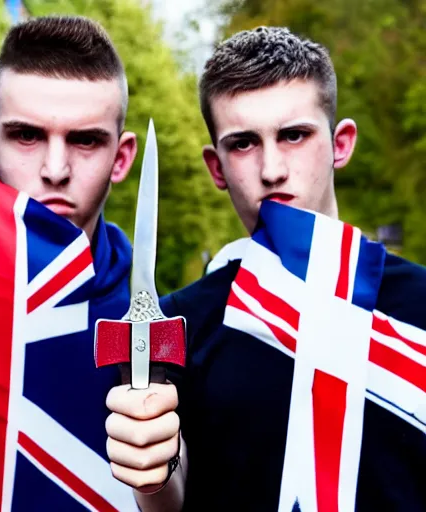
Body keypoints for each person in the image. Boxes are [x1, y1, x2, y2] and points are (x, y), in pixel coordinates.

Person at [106, 27, 426, 511]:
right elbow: (171, 497)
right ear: (216, 167)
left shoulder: (420, 303)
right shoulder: (175, 327)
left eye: (294, 135)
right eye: (243, 144)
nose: (272, 168)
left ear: (341, 144)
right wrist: (152, 469)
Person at [0, 15, 141, 511]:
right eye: (27, 136)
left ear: (121, 158)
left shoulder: (142, 327)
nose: (54, 170)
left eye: (84, 140)